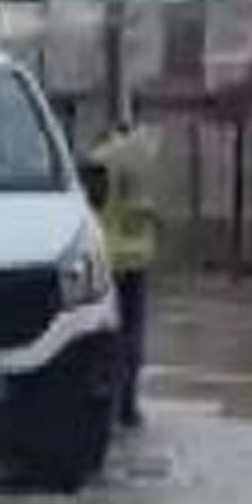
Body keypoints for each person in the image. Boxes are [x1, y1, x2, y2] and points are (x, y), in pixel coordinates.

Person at [85, 95, 163, 428]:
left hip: (107, 258)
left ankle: (106, 402)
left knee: (105, 335)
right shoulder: (149, 155)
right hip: (139, 258)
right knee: (133, 335)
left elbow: (88, 207)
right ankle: (128, 406)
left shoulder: (101, 160)